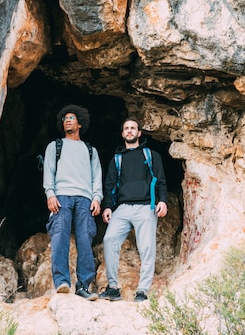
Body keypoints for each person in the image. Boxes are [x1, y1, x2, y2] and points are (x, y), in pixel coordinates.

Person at [99, 117, 168, 302]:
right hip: (122, 208)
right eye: (126, 128)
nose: (129, 131)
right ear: (122, 134)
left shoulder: (151, 155)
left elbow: (160, 180)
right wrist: (107, 206)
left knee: (147, 248)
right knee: (109, 239)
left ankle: (142, 291)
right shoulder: (117, 159)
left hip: (146, 207)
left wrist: (163, 201)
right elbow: (109, 185)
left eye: (133, 128)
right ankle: (113, 287)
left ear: (139, 133)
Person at [43, 104, 103, 300]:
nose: (67, 121)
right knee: (59, 236)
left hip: (85, 198)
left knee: (85, 239)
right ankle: (61, 282)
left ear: (80, 123)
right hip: (61, 196)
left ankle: (83, 286)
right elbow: (48, 171)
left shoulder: (90, 150)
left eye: (71, 118)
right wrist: (50, 194)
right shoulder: (55, 146)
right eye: (64, 119)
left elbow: (97, 177)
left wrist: (97, 198)